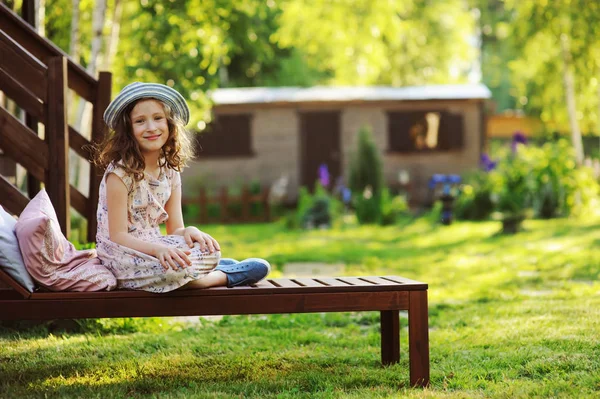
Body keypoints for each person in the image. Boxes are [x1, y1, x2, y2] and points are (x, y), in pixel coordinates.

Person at [94, 82, 270, 292]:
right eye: (140, 121)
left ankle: (206, 266)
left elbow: (175, 229)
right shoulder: (120, 174)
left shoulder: (170, 172)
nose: (151, 127)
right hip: (123, 256)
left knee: (209, 250)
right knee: (173, 271)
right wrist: (159, 250)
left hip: (158, 248)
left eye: (158, 118)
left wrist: (190, 231)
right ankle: (222, 276)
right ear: (128, 130)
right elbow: (118, 236)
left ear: (169, 124)